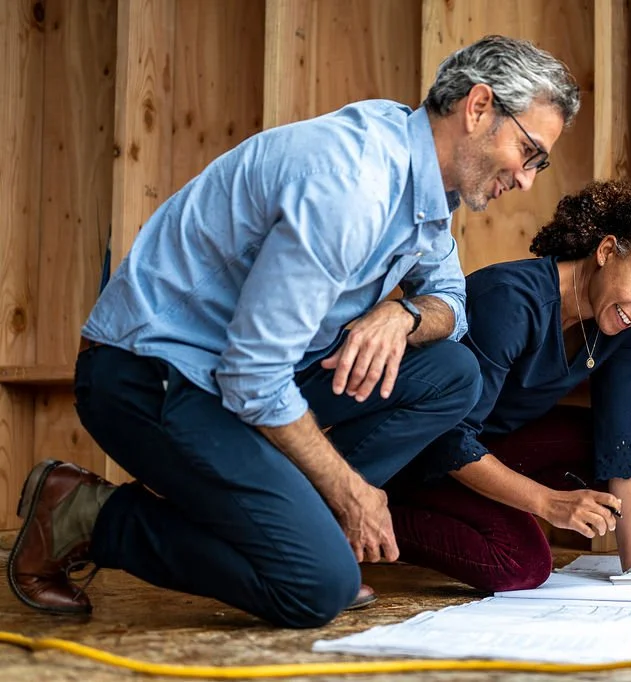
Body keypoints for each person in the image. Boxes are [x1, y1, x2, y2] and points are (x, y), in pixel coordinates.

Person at [6, 35, 580, 628]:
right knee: (316, 588)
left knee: (450, 375)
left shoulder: (423, 176)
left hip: (237, 375)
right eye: (529, 152)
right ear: (479, 107)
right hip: (151, 375)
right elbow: (253, 374)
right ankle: (88, 515)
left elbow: (453, 304)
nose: (527, 179)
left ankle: (295, 536)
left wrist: (403, 315)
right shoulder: (352, 186)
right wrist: (350, 492)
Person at [385, 180, 631, 591]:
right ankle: (373, 517)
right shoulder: (510, 300)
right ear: (606, 252)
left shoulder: (620, 320)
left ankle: (471, 511)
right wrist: (549, 503)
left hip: (487, 448)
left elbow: (624, 435)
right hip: (417, 457)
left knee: (600, 441)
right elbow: (449, 439)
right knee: (522, 565)